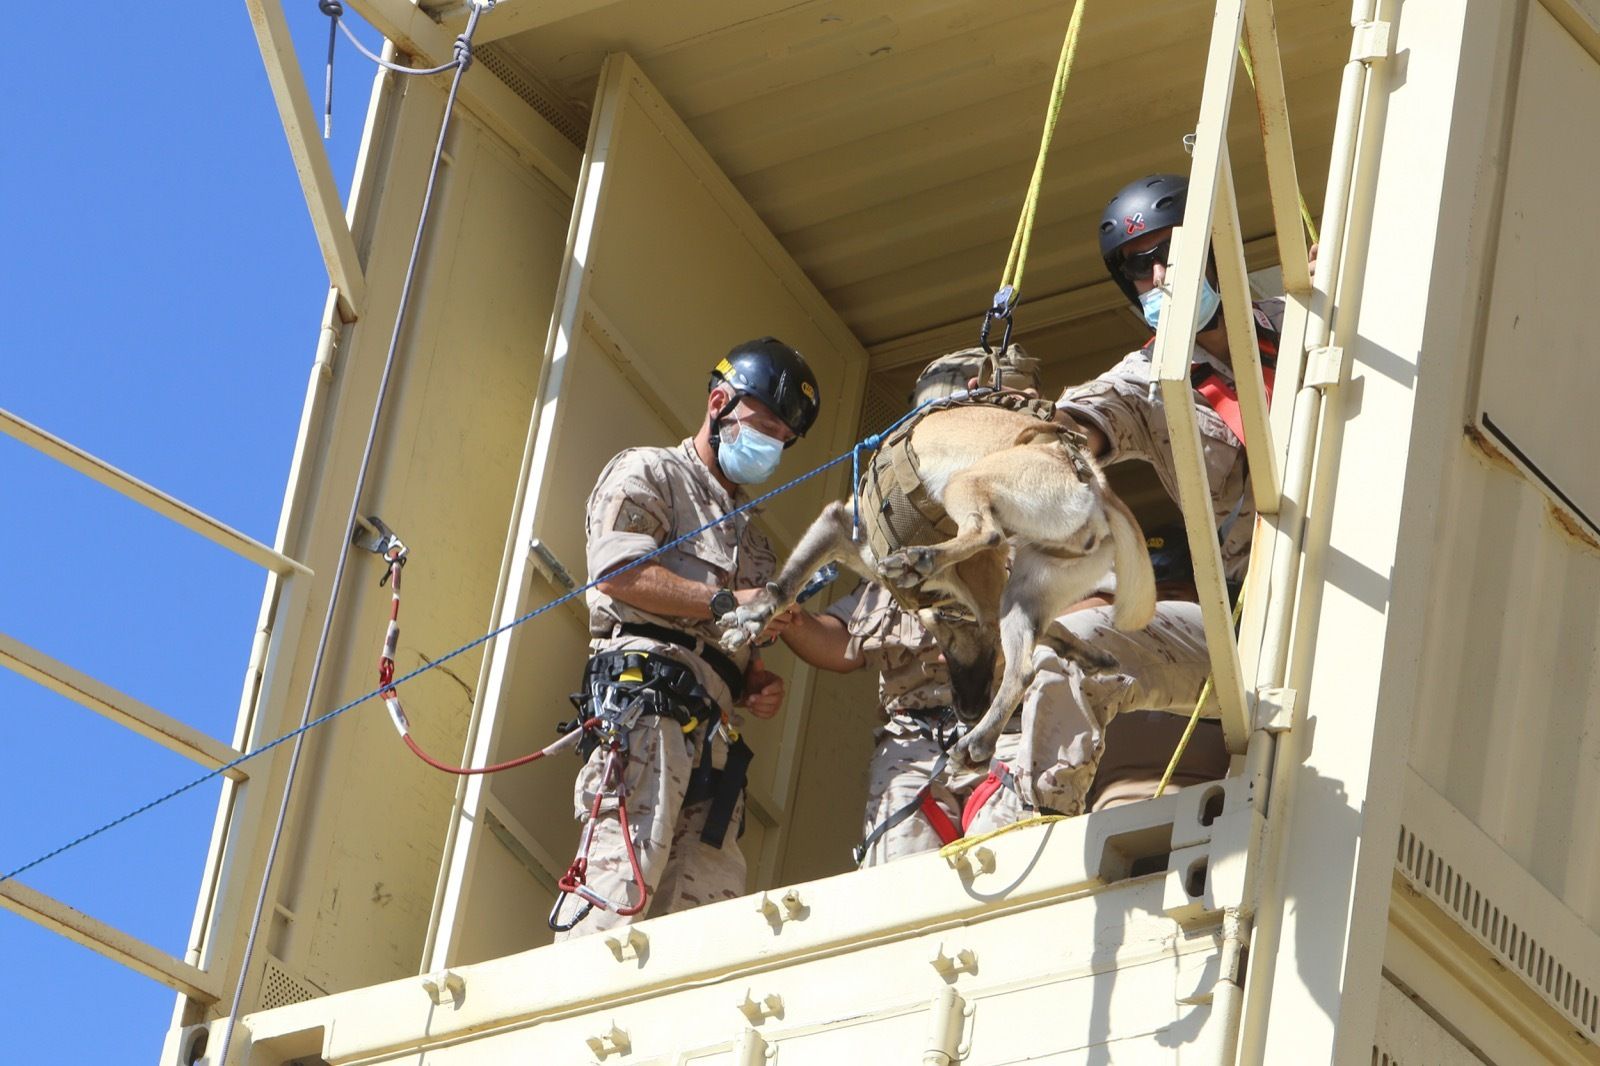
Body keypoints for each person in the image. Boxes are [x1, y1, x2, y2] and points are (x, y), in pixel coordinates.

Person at [1006, 171, 1285, 815]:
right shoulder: (1146, 378)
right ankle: (1042, 822)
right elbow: (1082, 425)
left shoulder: (1307, 316)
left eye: (1173, 253)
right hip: (1253, 625)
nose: (1158, 275)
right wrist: (1030, 429)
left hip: (1365, 580)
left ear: (1215, 249)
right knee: (1068, 650)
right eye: (1138, 266)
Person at [553, 338, 819, 940]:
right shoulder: (651, 473)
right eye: (764, 425)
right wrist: (728, 601)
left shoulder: (754, 542)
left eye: (783, 438)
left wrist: (755, 680)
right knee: (621, 882)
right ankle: (575, 1015)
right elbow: (619, 571)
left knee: (703, 914)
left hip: (716, 743)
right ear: (719, 402)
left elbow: (735, 639)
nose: (771, 445)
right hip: (649, 711)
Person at [779, 346, 1045, 866]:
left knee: (1011, 887)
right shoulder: (902, 538)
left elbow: (1095, 614)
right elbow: (845, 643)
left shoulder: (1049, 516)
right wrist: (790, 619)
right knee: (898, 902)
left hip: (1012, 736)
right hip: (913, 752)